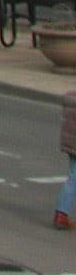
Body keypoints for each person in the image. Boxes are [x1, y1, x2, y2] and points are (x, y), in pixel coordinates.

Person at [55, 88, 76, 229]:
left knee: (73, 176)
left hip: (70, 143)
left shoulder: (71, 98)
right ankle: (62, 214)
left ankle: (61, 213)